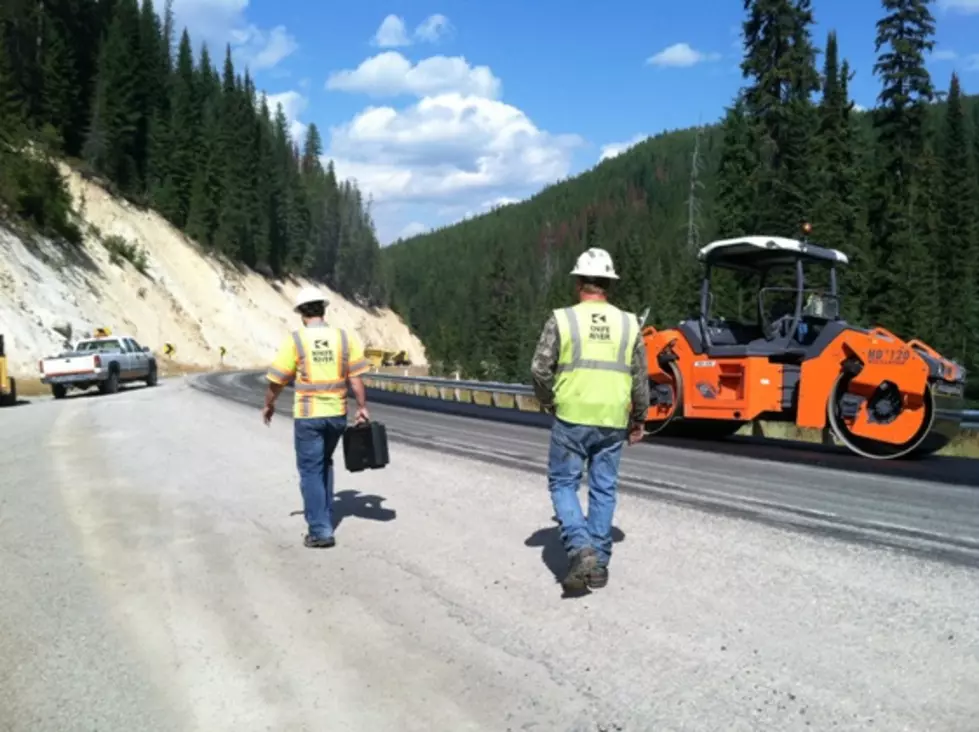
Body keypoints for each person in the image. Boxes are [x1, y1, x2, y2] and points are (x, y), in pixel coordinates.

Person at [530, 247, 650, 590]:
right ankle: (598, 565)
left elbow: (539, 369)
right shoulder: (629, 323)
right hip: (613, 418)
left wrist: (548, 401)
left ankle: (580, 547)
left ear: (579, 281)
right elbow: (640, 378)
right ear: (608, 284)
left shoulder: (563, 319)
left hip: (572, 416)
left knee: (563, 484)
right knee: (603, 488)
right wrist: (639, 419)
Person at [263, 286, 371, 548]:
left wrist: (269, 404)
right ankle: (324, 514)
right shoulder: (343, 339)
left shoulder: (296, 340)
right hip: (337, 414)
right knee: (325, 462)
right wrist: (362, 406)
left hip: (309, 416)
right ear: (323, 309)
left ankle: (321, 530)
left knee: (311, 470)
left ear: (301, 313)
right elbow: (355, 378)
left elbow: (278, 379)